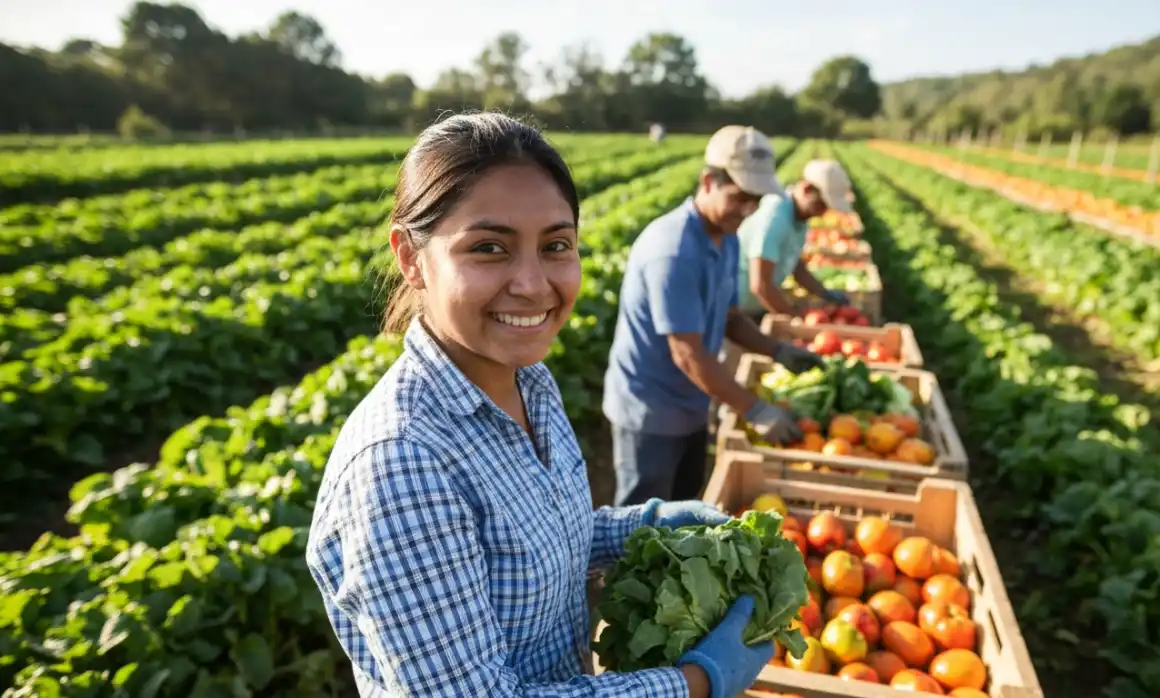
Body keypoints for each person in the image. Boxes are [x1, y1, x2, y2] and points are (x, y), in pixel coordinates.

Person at [305, 113, 774, 698]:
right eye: (488, 248)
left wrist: (640, 528)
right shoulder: (401, 463)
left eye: (556, 245)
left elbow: (538, 542)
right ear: (410, 257)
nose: (531, 283)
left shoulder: (530, 380)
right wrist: (695, 683)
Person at [602, 125, 824, 509]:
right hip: (650, 409)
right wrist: (753, 408)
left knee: (681, 511)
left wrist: (777, 350)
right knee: (639, 521)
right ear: (708, 181)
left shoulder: (727, 238)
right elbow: (687, 353)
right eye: (740, 197)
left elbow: (730, 318)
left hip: (692, 400)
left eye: (755, 200)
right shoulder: (673, 251)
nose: (749, 209)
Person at [735, 159, 856, 323]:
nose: (823, 213)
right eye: (821, 204)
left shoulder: (799, 218)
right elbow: (760, 286)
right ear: (806, 189)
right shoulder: (775, 218)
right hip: (737, 311)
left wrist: (823, 293)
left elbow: (794, 264)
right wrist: (796, 318)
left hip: (756, 307)